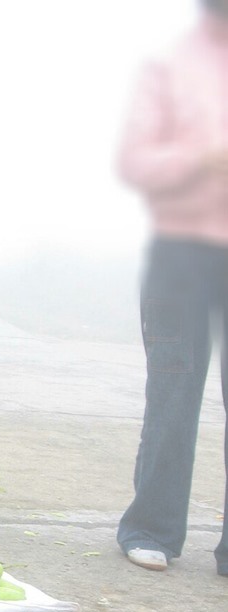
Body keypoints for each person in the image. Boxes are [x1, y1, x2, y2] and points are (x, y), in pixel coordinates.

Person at [116, 0, 228, 575]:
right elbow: (134, 160)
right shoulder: (170, 67)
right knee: (173, 396)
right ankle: (152, 527)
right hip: (180, 255)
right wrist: (198, 156)